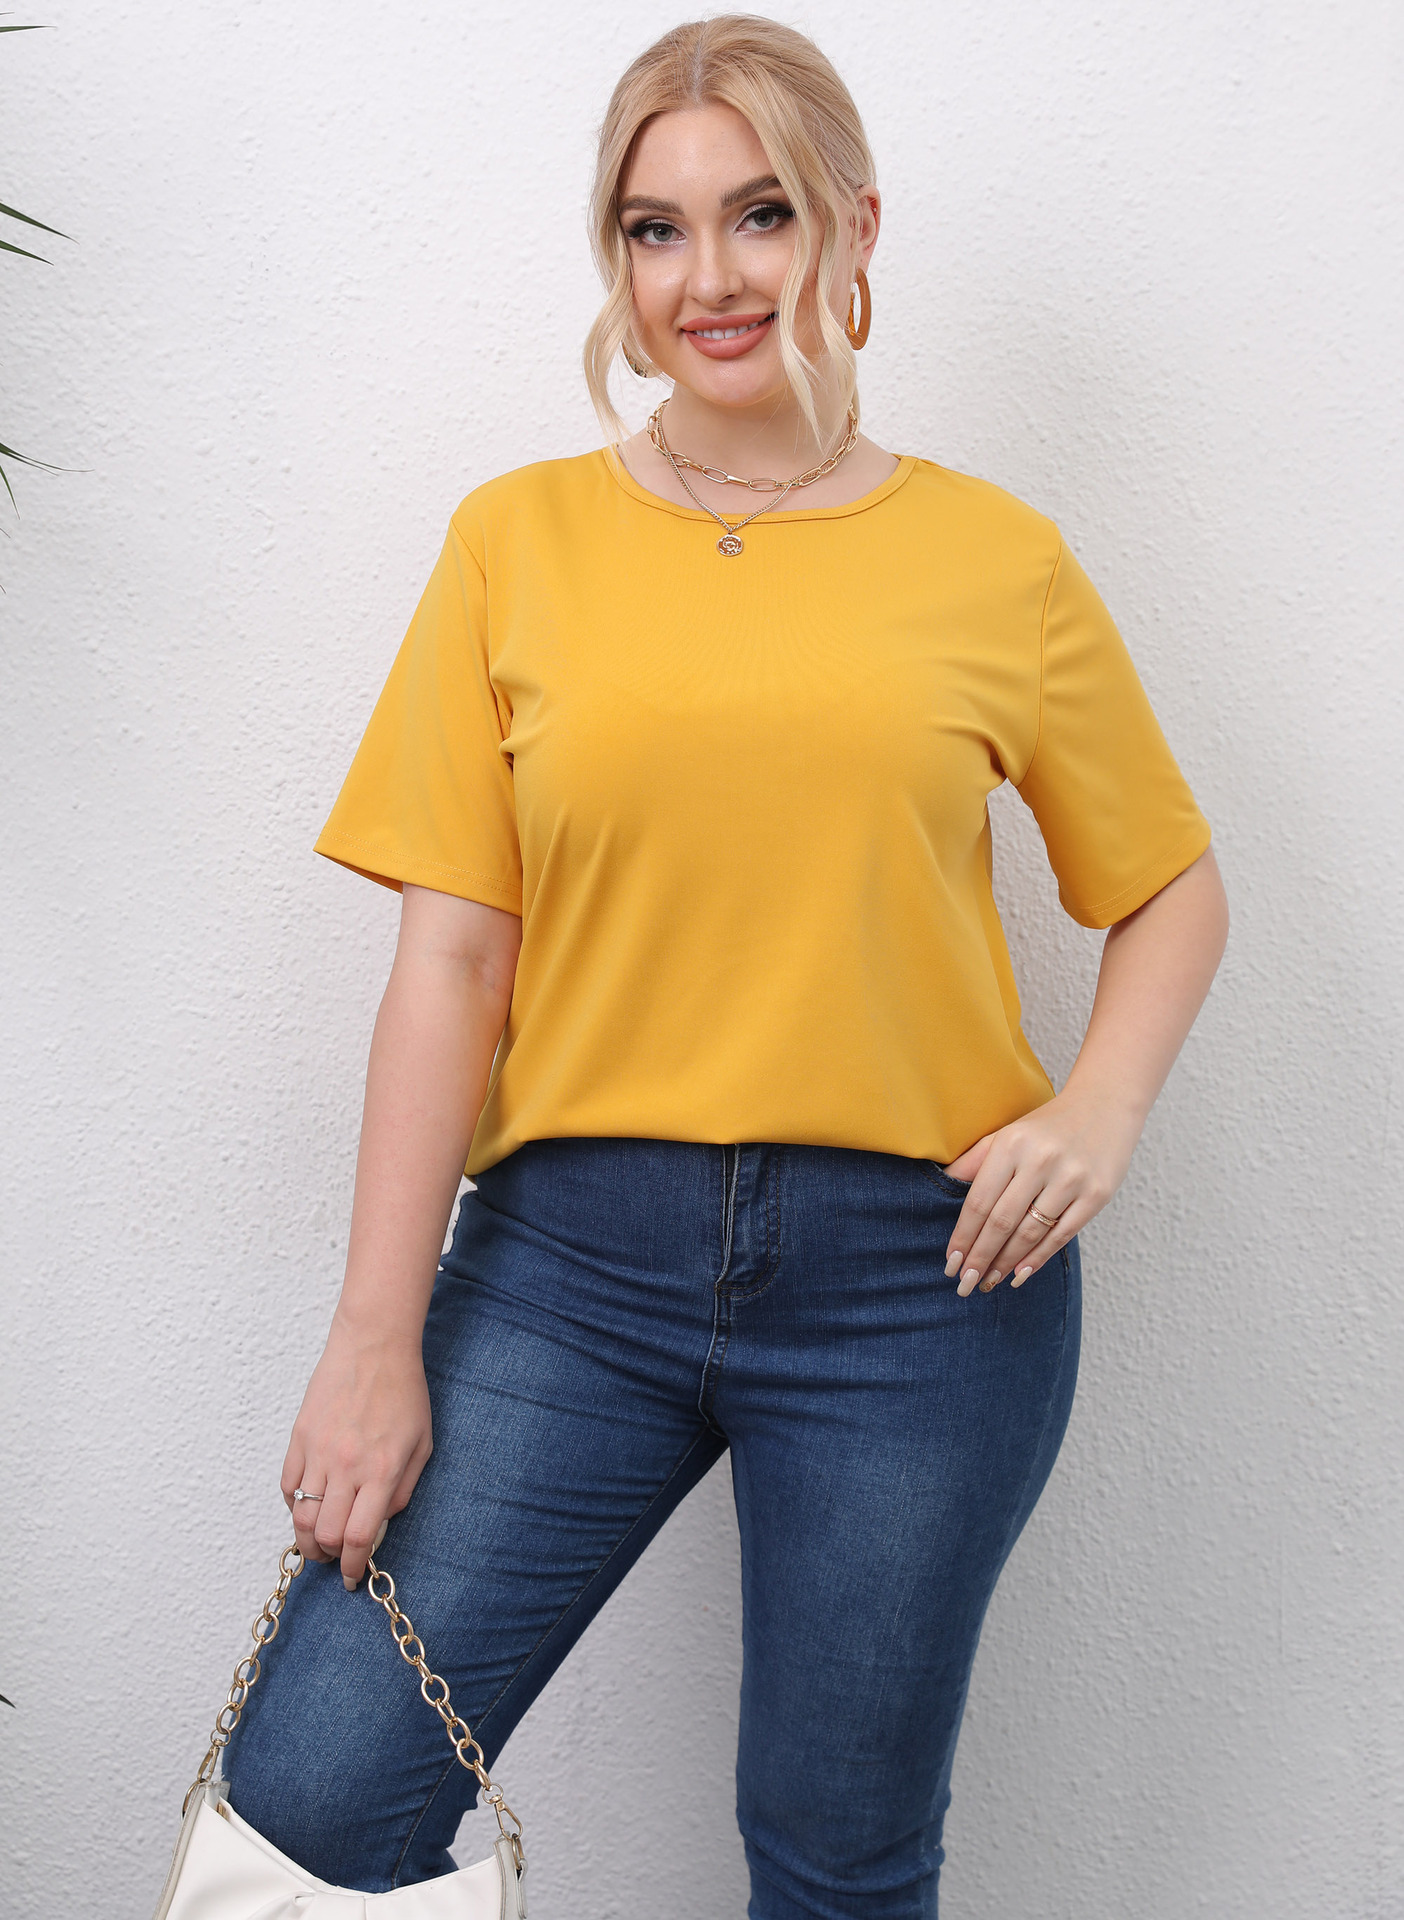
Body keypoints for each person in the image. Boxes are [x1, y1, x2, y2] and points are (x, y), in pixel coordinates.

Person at [223, 15, 1229, 1916]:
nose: (711, 276)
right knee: (309, 1811)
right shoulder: (515, 542)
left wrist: (1097, 1112)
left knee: (839, 1867)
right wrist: (371, 1339)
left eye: (760, 214)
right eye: (656, 228)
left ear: (855, 229)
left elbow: (1169, 883)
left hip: (920, 1288)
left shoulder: (995, 560)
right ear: (617, 262)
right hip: (566, 1267)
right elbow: (452, 965)